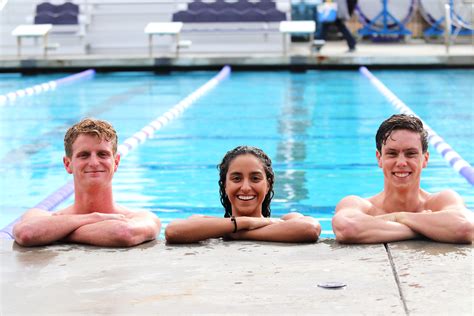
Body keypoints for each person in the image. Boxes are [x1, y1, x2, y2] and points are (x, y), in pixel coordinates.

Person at [13, 118, 161, 247]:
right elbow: (27, 233)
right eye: (84, 155)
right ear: (67, 164)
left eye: (103, 154)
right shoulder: (40, 214)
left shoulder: (141, 217)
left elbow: (123, 233)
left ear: (116, 162)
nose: (94, 162)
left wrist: (53, 232)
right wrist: (94, 218)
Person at [332, 114, 473, 244]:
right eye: (392, 154)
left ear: (425, 159)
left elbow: (465, 227)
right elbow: (347, 229)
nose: (401, 163)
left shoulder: (442, 200)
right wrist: (426, 229)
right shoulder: (361, 205)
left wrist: (398, 217)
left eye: (410, 154)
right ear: (379, 158)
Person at [165, 146, 321, 243]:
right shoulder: (205, 223)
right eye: (236, 178)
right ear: (225, 185)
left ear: (268, 185)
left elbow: (310, 229)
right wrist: (245, 222)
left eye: (255, 178)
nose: (246, 187)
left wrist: (237, 234)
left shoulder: (287, 220)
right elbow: (173, 231)